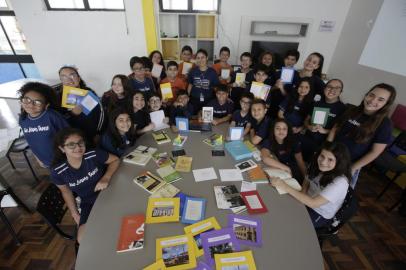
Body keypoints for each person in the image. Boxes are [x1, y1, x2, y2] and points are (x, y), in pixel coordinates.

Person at [51, 128, 120, 243]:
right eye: (71, 145)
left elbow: (115, 160)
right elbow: (66, 191)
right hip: (89, 203)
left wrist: (106, 177)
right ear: (62, 148)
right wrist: (74, 213)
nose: (78, 148)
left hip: (109, 192)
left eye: (80, 143)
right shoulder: (58, 171)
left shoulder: (93, 154)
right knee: (82, 239)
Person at [328, 83, 397, 187]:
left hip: (348, 165)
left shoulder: (385, 124)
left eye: (380, 99)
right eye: (371, 95)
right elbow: (335, 129)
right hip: (329, 156)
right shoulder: (351, 110)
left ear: (386, 104)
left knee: (332, 196)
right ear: (366, 95)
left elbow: (375, 152)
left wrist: (352, 168)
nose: (373, 100)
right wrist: (327, 149)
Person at [270, 141, 351, 228]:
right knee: (280, 208)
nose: (323, 162)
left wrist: (285, 186)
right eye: (322, 156)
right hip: (307, 199)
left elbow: (314, 203)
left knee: (290, 224)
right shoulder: (315, 164)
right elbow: (307, 180)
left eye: (330, 159)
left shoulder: (340, 182)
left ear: (339, 162)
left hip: (319, 212)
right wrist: (303, 193)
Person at [18, 82, 69, 168]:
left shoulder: (52, 116)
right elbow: (30, 141)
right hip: (45, 161)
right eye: (26, 100)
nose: (30, 104)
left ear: (46, 105)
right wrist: (37, 158)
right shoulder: (23, 119)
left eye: (37, 102)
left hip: (64, 159)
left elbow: (69, 135)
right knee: (58, 179)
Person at [301, 79, 347, 161]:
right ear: (324, 88)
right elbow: (306, 120)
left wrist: (325, 131)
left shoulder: (343, 109)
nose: (332, 90)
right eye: (330, 86)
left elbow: (342, 132)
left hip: (323, 146)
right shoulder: (317, 103)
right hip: (307, 140)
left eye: (337, 88)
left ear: (341, 92)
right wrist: (309, 126)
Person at [57, 66, 105, 144]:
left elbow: (101, 113)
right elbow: (61, 122)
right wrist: (72, 114)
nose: (69, 80)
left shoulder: (88, 92)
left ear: (78, 78)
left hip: (94, 136)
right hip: (76, 141)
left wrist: (98, 133)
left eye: (72, 75)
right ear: (62, 81)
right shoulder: (59, 97)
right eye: (64, 77)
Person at [261, 118, 307, 183]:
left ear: (288, 131)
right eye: (278, 128)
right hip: (280, 170)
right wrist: (286, 168)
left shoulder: (294, 141)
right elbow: (265, 158)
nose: (281, 131)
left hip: (294, 171)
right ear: (273, 130)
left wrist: (306, 179)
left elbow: (300, 161)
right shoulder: (268, 141)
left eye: (284, 129)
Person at [269, 50, 301, 118]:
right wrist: (275, 86)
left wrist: (282, 88)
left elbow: (294, 96)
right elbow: (268, 90)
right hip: (273, 103)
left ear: (296, 61)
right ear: (284, 59)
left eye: (292, 59)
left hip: (285, 107)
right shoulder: (277, 73)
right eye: (287, 58)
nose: (289, 61)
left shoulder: (297, 76)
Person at [187, 49, 220, 114]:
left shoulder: (212, 72)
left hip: (208, 100)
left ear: (207, 58)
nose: (200, 60)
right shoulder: (193, 71)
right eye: (198, 58)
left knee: (206, 119)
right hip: (194, 100)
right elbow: (190, 85)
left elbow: (216, 87)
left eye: (202, 57)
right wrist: (187, 96)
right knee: (194, 118)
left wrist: (220, 97)